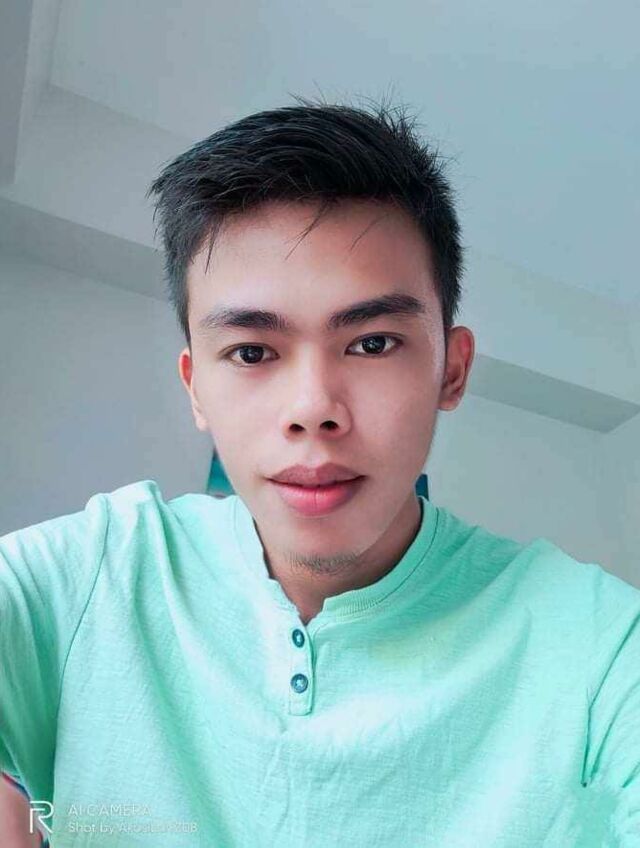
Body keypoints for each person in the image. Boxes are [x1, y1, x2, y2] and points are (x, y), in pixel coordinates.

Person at [1, 95, 638, 847]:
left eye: (372, 343)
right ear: (196, 388)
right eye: (251, 352)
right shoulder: (91, 576)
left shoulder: (600, 648)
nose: (313, 410)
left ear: (452, 370)